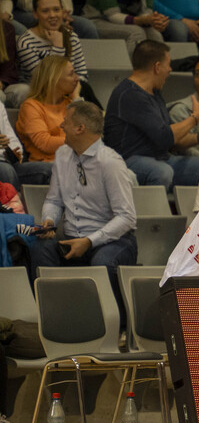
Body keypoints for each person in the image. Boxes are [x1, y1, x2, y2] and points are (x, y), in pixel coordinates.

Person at [30, 99, 136, 295]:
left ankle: (112, 312)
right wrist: (49, 220)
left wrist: (89, 241)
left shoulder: (110, 163)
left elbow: (127, 217)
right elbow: (54, 200)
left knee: (103, 262)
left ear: (80, 128)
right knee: (40, 248)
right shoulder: (62, 155)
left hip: (111, 241)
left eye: (66, 121)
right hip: (72, 239)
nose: (61, 126)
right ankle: (52, 307)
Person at [104, 40, 199, 189]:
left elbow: (173, 137)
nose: (170, 70)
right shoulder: (130, 94)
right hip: (127, 160)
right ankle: (153, 204)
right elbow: (165, 136)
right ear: (157, 67)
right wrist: (195, 118)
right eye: (168, 64)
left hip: (162, 158)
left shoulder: (154, 93)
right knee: (162, 172)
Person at [15, 0, 87, 86]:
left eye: (56, 10)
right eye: (45, 11)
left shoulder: (71, 36)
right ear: (35, 14)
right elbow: (46, 79)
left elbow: (82, 74)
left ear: (62, 11)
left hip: (70, 89)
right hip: (36, 90)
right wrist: (58, 47)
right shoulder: (26, 42)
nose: (52, 15)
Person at [15, 54, 79, 163]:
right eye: (71, 74)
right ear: (54, 79)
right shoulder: (31, 106)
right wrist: (78, 141)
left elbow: (89, 133)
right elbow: (45, 143)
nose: (77, 78)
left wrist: (76, 98)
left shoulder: (70, 104)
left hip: (74, 161)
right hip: (46, 163)